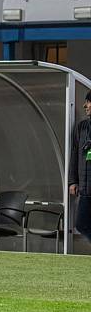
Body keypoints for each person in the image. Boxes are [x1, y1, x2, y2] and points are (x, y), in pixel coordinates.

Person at [69, 90, 91, 242]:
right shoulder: (82, 127)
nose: (85, 105)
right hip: (86, 189)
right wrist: (73, 181)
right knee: (81, 224)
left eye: (88, 102)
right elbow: (75, 154)